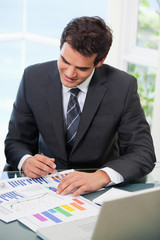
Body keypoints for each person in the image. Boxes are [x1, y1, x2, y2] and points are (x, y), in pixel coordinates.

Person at [5, 16, 156, 197]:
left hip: (97, 191)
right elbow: (15, 142)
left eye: (82, 68)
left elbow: (143, 153)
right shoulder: (33, 77)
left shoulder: (123, 87)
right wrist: (26, 161)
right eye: (65, 61)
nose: (69, 73)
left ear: (100, 61)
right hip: (46, 187)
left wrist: (101, 176)